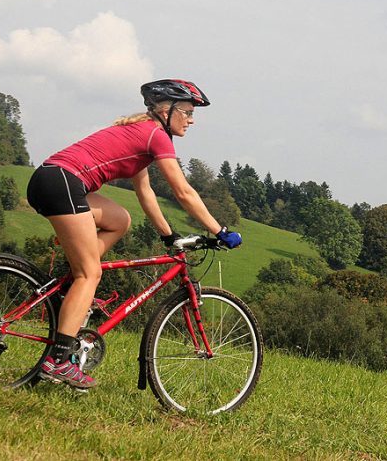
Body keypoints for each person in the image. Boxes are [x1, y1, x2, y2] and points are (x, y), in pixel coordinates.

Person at [26, 79, 242, 389]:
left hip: (53, 179)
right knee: (91, 274)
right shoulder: (156, 136)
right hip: (62, 183)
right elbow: (182, 191)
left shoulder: (144, 134)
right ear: (166, 111)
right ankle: (57, 361)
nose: (192, 120)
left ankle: (72, 288)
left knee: (120, 220)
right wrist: (219, 230)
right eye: (188, 112)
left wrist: (168, 235)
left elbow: (145, 193)